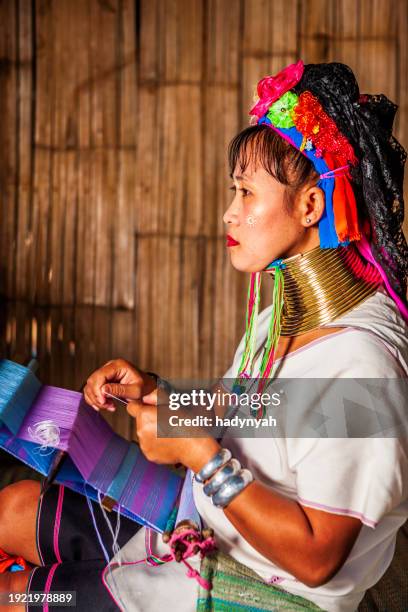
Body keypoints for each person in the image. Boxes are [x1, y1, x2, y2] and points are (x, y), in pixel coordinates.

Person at [0, 61, 407, 612]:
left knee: (15, 596)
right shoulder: (285, 314)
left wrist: (199, 456)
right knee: (14, 509)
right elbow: (258, 411)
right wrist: (161, 396)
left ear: (311, 206)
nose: (229, 212)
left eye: (246, 194)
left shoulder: (363, 365)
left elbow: (317, 559)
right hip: (204, 527)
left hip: (256, 588)